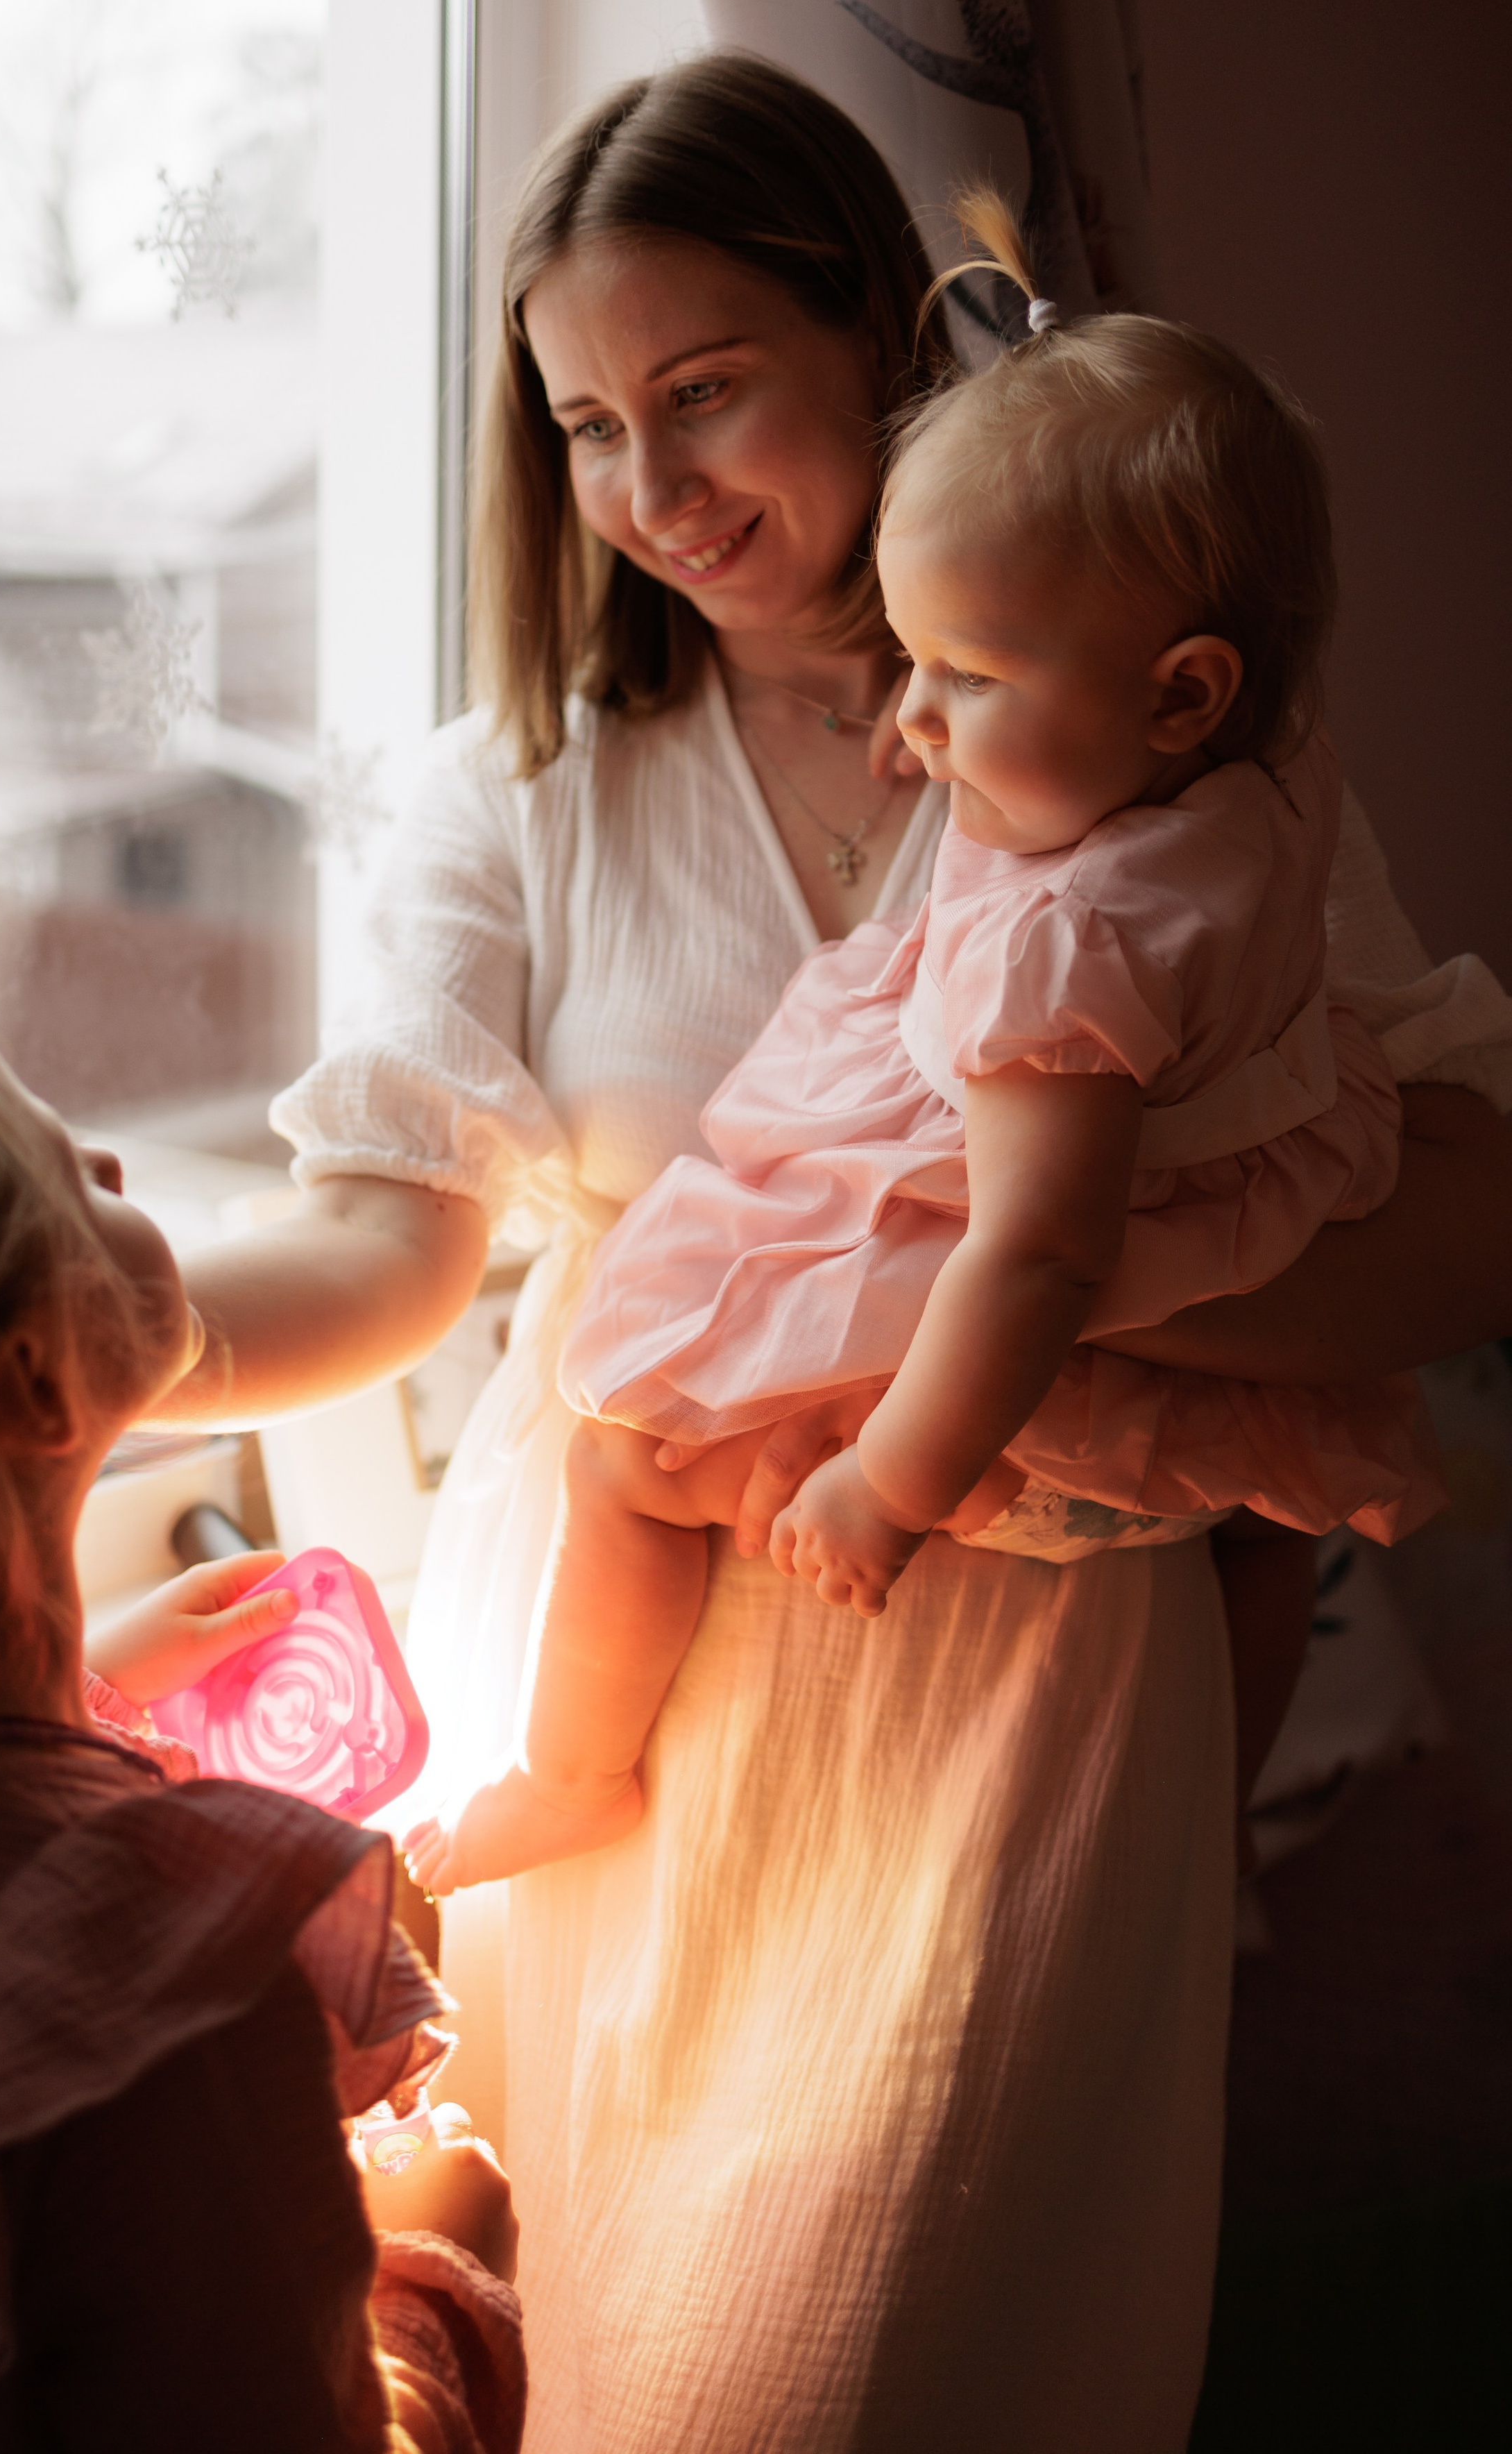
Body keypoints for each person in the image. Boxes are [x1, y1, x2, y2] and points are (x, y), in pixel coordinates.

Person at [161, 56, 1512, 2452]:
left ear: (876, 342)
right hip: (626, 1686)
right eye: (585, 425)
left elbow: (1456, 1213)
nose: (652, 490)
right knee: (594, 2371)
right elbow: (383, 1239)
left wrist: (1016, 1286)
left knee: (865, 2383)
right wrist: (77, 1352)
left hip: (1025, 1699)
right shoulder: (520, 794)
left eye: (706, 396)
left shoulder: (1186, 776)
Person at [401, 192, 1438, 1899]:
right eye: (587, 425)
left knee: (636, 1463)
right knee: (1259, 1548)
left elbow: (1030, 1258)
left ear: (1175, 691)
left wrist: (886, 1483)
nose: (912, 725)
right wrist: (1001, 710)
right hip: (1224, 1358)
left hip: (980, 1402)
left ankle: (572, 1770)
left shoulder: (1055, 944)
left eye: (954, 673)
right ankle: (1207, 1859)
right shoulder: (1252, 793)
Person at [0, 985, 524, 2454]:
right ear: (34, 1379)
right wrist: (428, 2278)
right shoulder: (174, 1972)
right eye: (61, 1163)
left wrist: (82, 1687)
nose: (113, 1166)